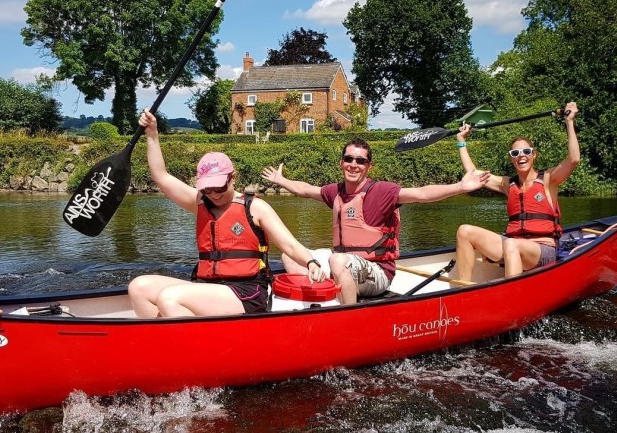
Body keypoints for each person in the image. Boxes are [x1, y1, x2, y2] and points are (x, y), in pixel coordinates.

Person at [128, 109, 326, 318]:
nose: (213, 195)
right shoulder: (199, 202)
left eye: (219, 188)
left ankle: (192, 348)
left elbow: (291, 245)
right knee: (139, 287)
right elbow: (160, 176)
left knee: (170, 297)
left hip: (246, 293)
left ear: (233, 178)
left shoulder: (255, 207)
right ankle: (164, 346)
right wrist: (152, 133)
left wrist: (311, 263)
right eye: (207, 189)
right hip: (207, 285)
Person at [261, 140, 490, 304]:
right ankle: (329, 296)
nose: (354, 164)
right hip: (344, 264)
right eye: (349, 159)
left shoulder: (382, 191)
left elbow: (422, 194)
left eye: (360, 161)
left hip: (377, 273)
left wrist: (460, 187)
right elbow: (307, 190)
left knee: (337, 260)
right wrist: (281, 180)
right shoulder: (336, 191)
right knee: (290, 256)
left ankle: (347, 317)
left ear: (368, 166)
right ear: (341, 162)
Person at [454, 101, 580, 281]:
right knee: (464, 231)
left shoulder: (549, 179)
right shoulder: (507, 184)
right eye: (515, 153)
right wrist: (461, 142)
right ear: (511, 159)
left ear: (533, 154)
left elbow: (574, 159)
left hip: (542, 249)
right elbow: (473, 174)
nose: (521, 156)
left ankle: (510, 296)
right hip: (512, 245)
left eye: (526, 151)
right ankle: (463, 289)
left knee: (512, 244)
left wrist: (569, 122)